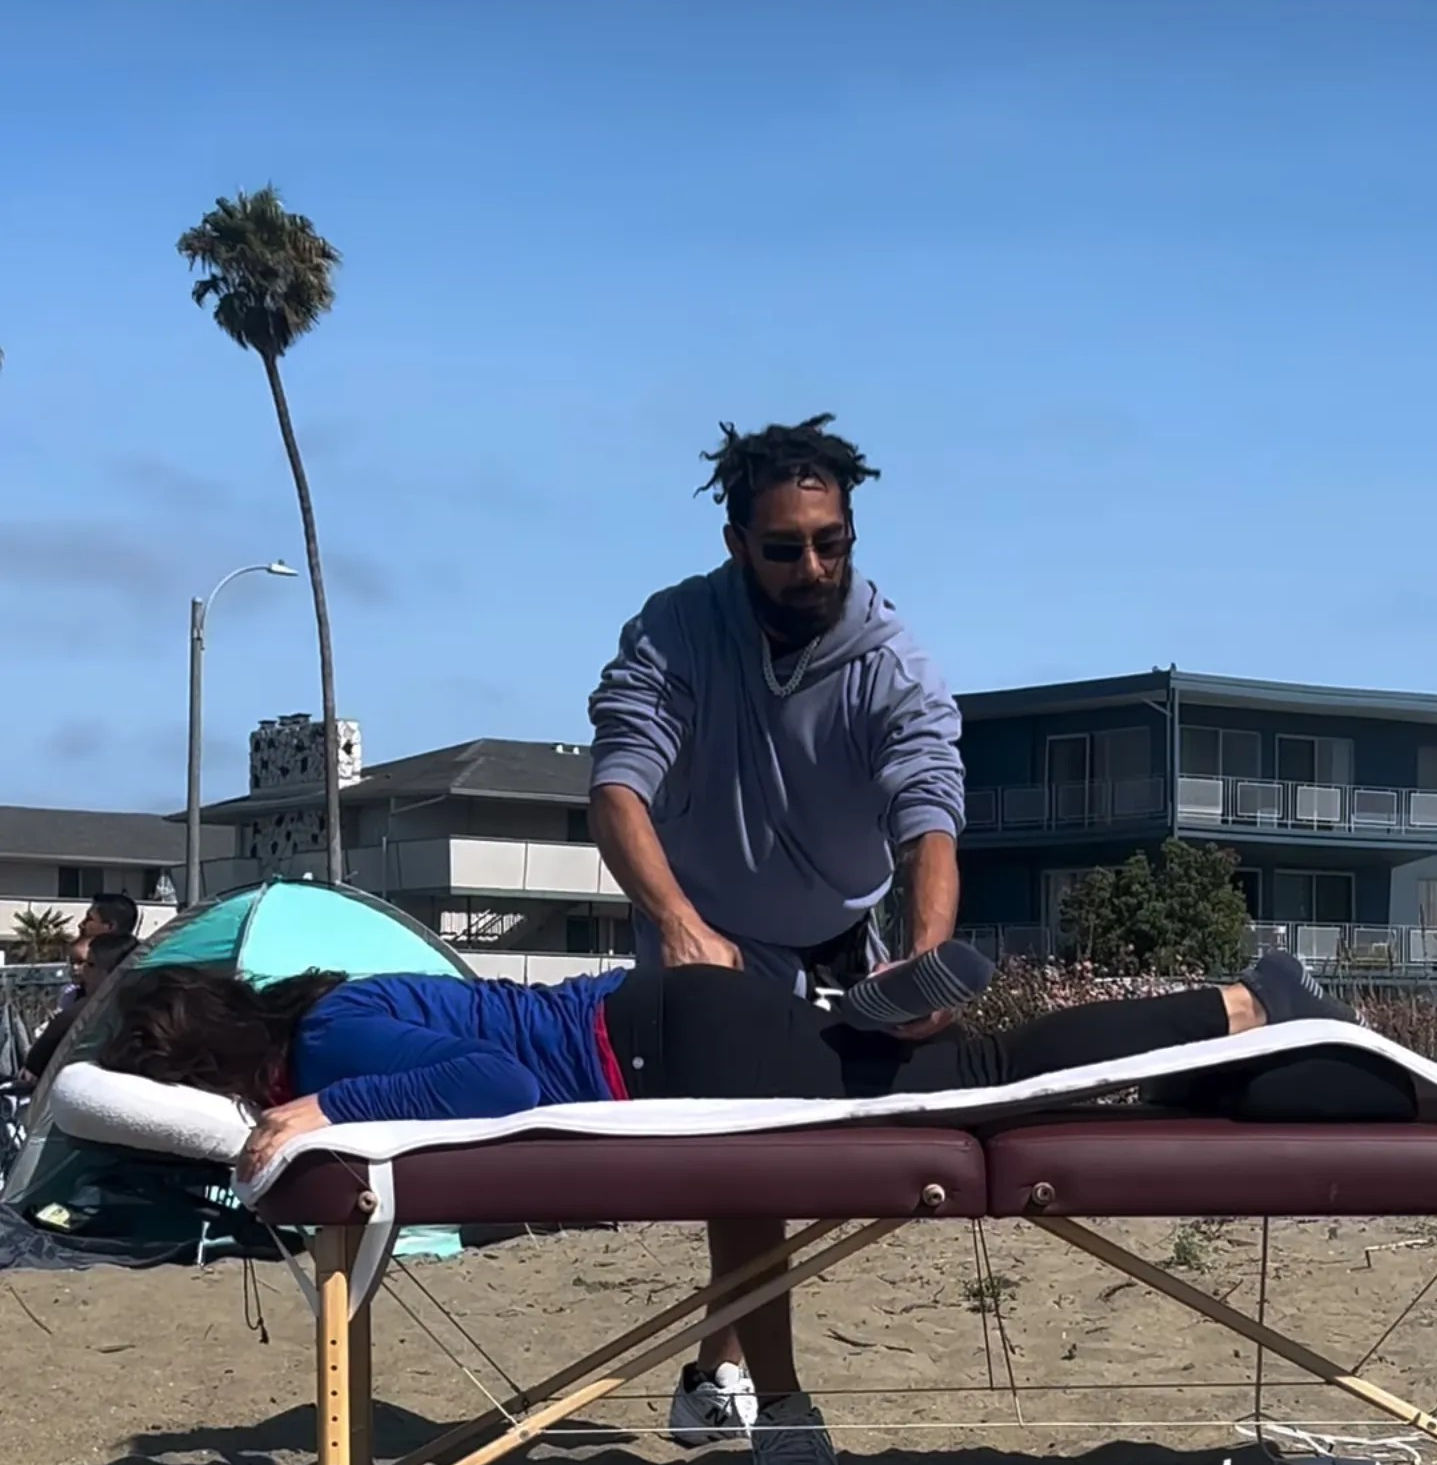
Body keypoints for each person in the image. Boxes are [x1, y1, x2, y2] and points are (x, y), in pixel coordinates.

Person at [97, 948, 1372, 1465]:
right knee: (975, 1080)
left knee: (991, 1081)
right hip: (673, 1031)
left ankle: (1248, 1002)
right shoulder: (333, 1019)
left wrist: (324, 1114)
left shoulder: (328, 1043)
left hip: (664, 1046)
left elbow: (486, 1078)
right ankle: (1238, 1032)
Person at [588, 414, 966, 1448]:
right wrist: (678, 924)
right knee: (749, 1160)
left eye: (831, 543)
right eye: (785, 547)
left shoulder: (892, 660)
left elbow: (928, 808)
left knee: (788, 1163)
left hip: (848, 936)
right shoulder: (673, 630)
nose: (813, 566)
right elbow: (618, 786)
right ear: (734, 544)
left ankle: (713, 1367)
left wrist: (928, 955)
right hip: (706, 933)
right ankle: (787, 1410)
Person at [20, 932, 138, 1084]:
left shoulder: (81, 1014)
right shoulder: (154, 1012)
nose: (83, 972)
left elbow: (34, 1067)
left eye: (90, 965)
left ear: (114, 972)